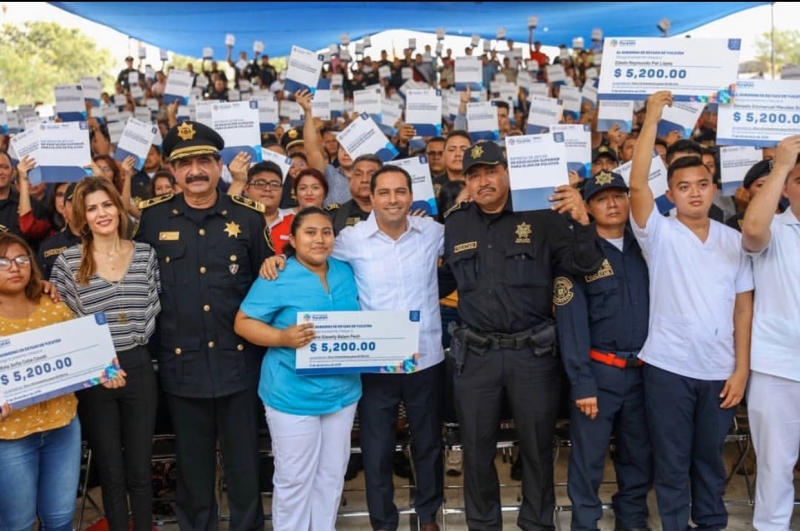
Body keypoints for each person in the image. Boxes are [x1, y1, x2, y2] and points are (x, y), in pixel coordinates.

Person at [263, 165, 447, 531]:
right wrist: (279, 257)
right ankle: (383, 523)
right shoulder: (351, 239)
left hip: (425, 358)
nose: (392, 199)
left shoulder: (434, 232)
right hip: (375, 364)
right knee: (377, 451)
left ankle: (428, 517)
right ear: (371, 198)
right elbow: (311, 250)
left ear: (412, 196)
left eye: (400, 192)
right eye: (384, 192)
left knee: (427, 445)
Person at [438, 141, 604, 530]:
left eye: (491, 171)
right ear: (466, 181)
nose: (484, 181)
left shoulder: (542, 215)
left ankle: (537, 525)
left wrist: (581, 219)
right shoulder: (456, 221)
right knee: (477, 454)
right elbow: (442, 280)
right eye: (475, 175)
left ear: (507, 173)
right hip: (476, 356)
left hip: (532, 355)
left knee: (536, 452)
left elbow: (585, 263)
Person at [134, 120, 272, 531]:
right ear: (173, 172)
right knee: (192, 472)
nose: (196, 170)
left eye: (204, 161)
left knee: (245, 466)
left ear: (220, 166)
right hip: (182, 365)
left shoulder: (248, 218)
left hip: (239, 363)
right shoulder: (151, 221)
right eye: (185, 163)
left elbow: (267, 281)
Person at [628, 91, 753, 531]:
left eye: (701, 184)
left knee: (709, 464)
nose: (694, 193)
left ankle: (712, 524)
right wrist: (653, 120)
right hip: (667, 368)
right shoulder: (657, 233)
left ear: (714, 187)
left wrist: (741, 370)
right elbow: (638, 184)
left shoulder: (734, 241)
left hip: (720, 373)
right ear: (671, 194)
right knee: (672, 464)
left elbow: (743, 310)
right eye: (683, 187)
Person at [234, 206, 361, 530]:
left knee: (332, 475)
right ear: (292, 239)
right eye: (310, 232)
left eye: (326, 232)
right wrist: (281, 336)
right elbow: (243, 322)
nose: (319, 239)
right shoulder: (277, 275)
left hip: (342, 393)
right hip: (291, 394)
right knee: (294, 479)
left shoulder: (345, 271)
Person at [50, 177, 161, 531]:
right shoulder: (67, 263)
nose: (102, 214)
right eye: (93, 208)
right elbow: (65, 327)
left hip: (139, 365)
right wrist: (100, 365)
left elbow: (152, 310)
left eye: (107, 205)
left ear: (118, 206)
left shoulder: (145, 254)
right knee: (111, 471)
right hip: (94, 374)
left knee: (141, 470)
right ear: (82, 216)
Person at [0, 231, 126, 531]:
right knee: (17, 524)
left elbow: (82, 353)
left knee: (60, 521)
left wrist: (104, 371)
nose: (14, 267)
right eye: (2, 262)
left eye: (21, 259)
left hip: (62, 428)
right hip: (10, 435)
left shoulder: (52, 305)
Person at [555, 171, 653, 531]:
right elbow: (571, 326)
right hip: (599, 375)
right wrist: (581, 382)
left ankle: (632, 521)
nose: (612, 204)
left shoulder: (646, 247)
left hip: (644, 371)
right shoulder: (578, 255)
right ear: (588, 207)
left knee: (639, 457)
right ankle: (585, 524)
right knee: (588, 461)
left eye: (619, 195)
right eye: (601, 198)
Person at [740, 134, 800, 531]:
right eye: (799, 179)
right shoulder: (773, 228)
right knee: (776, 468)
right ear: (787, 187)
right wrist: (780, 164)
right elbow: (751, 230)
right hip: (777, 368)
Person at [36, 183, 81, 280]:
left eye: (83, 203)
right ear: (63, 210)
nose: (79, 208)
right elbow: (41, 285)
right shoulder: (48, 246)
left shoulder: (104, 242)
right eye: (74, 203)